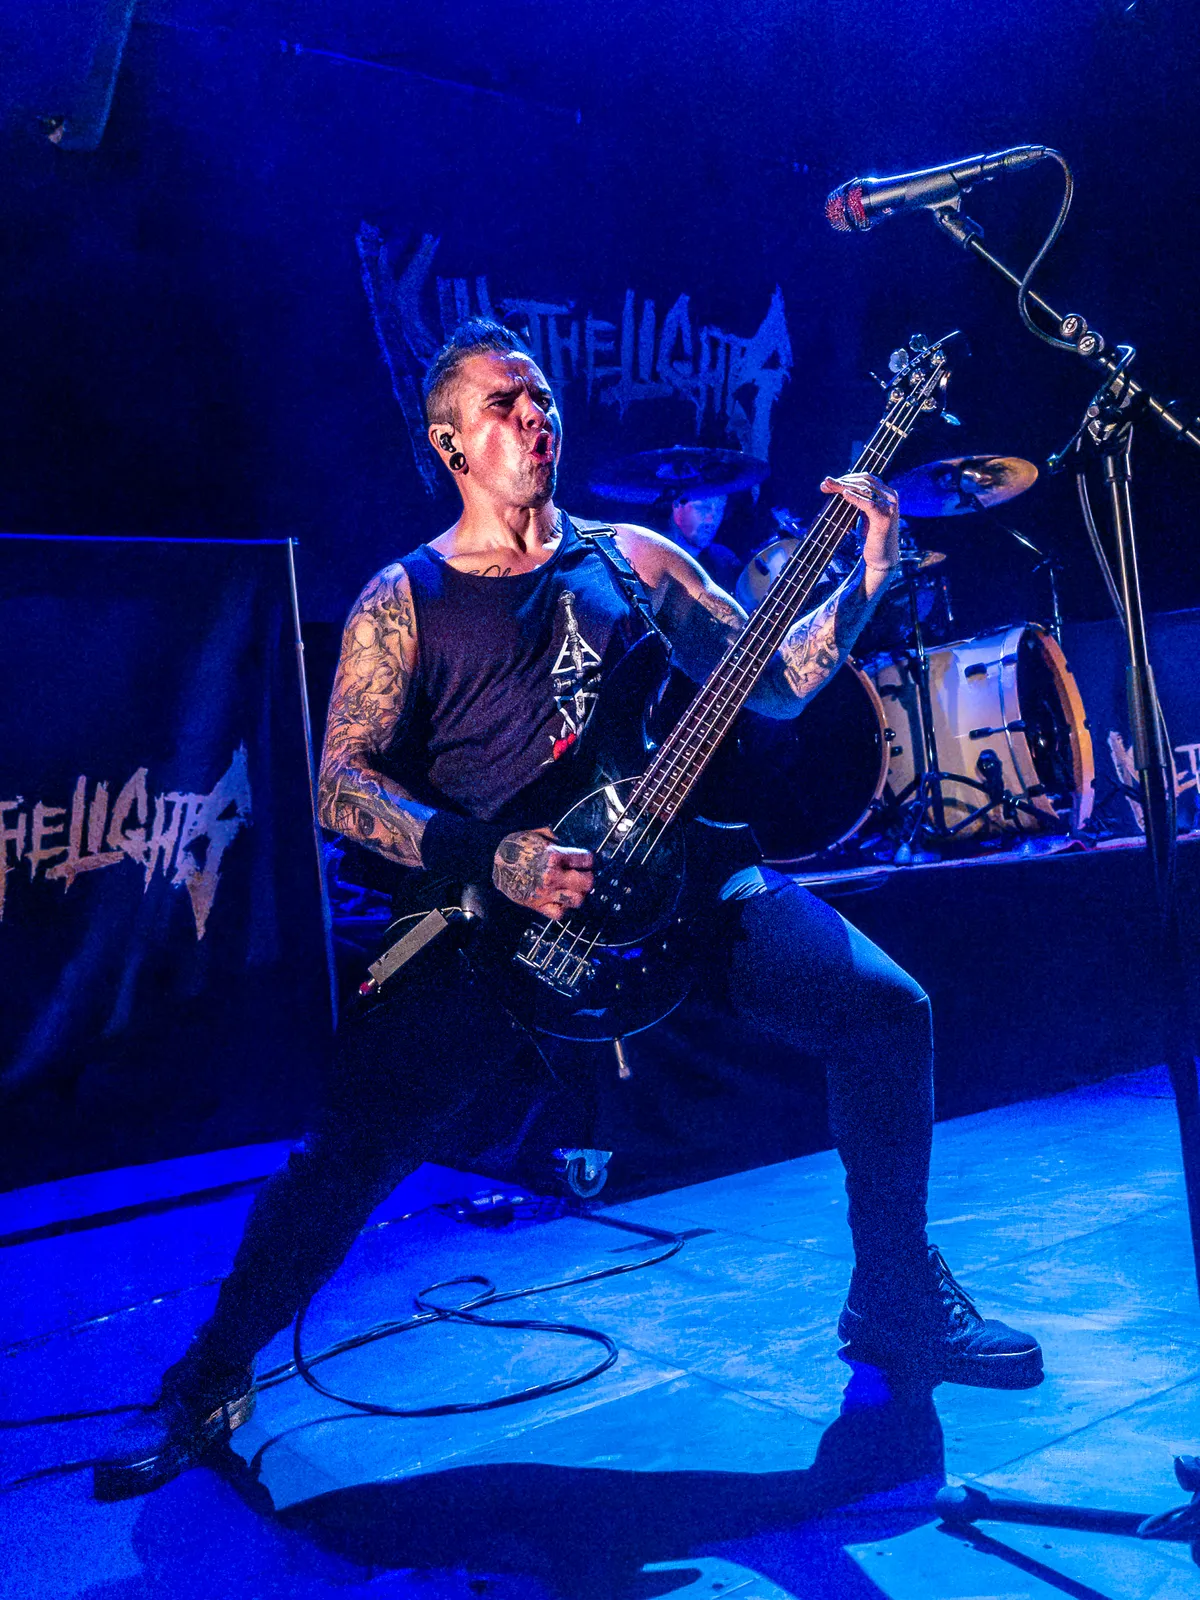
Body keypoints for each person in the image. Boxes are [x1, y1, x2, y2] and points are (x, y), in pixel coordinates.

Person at [94, 319, 1043, 1500]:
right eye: (503, 403)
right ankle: (209, 1376)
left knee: (887, 1010)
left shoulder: (636, 560)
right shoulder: (406, 596)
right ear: (450, 441)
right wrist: (490, 856)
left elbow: (781, 683)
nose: (534, 414)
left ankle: (892, 1293)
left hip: (683, 877)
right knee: (350, 1151)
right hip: (503, 922)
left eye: (540, 395)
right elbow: (339, 787)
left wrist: (866, 579)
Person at [664, 491, 743, 592]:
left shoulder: (723, 559)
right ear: (677, 507)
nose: (712, 520)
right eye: (704, 508)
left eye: (720, 509)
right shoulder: (652, 550)